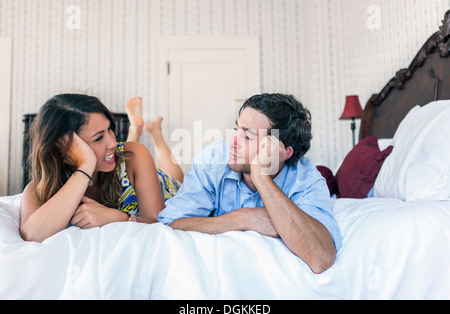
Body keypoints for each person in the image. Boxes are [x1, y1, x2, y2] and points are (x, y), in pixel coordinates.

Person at [158, 93, 342, 274]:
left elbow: (321, 258)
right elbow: (170, 225)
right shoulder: (214, 161)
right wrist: (241, 219)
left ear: (283, 153)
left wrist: (261, 176)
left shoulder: (305, 178)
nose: (232, 142)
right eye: (236, 129)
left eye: (247, 136)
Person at [20, 94, 182, 243]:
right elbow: (33, 235)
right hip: (121, 168)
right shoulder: (39, 189)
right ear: (63, 148)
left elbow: (160, 226)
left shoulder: (135, 153)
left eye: (110, 129)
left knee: (179, 179)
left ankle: (155, 133)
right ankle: (137, 130)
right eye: (98, 138)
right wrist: (85, 166)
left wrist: (119, 217)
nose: (113, 141)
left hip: (166, 189)